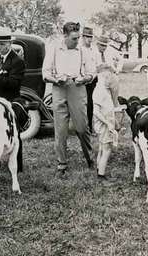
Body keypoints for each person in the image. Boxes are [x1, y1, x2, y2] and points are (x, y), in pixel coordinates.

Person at [42, 21, 94, 174]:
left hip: (77, 88)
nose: (77, 41)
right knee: (60, 130)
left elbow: (92, 73)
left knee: (82, 127)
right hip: (59, 88)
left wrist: (84, 79)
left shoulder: (83, 51)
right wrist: (55, 79)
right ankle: (62, 164)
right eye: (74, 38)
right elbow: (45, 73)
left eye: (78, 38)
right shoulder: (54, 49)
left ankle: (90, 158)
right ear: (64, 35)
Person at [93, 68, 119, 182]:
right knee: (107, 149)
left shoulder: (103, 89)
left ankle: (99, 169)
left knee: (101, 148)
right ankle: (101, 176)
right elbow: (96, 111)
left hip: (105, 123)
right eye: (109, 77)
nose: (111, 79)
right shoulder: (100, 91)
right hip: (104, 125)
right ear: (103, 76)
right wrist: (108, 123)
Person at [81, 27, 98, 134]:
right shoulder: (80, 49)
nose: (89, 39)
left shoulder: (94, 50)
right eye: (87, 37)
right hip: (83, 80)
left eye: (91, 37)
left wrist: (92, 76)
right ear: (83, 37)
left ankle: (91, 127)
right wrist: (85, 77)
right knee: (84, 105)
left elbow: (96, 65)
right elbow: (80, 66)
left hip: (94, 80)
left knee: (93, 104)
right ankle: (84, 127)